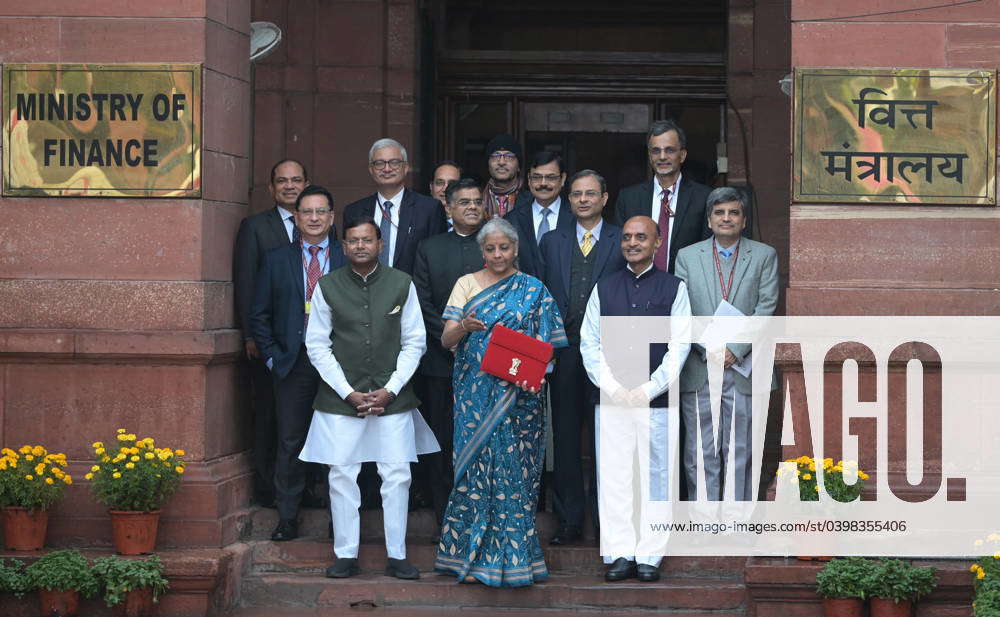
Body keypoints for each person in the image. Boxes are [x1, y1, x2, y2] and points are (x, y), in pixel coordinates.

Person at [300, 217, 439, 580]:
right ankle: (345, 554)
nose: (360, 246)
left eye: (367, 240)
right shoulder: (327, 286)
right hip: (340, 398)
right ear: (343, 246)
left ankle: (398, 555)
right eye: (352, 241)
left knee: (396, 474)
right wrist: (347, 391)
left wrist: (391, 388)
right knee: (342, 474)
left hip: (393, 396)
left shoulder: (401, 283)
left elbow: (415, 341)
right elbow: (316, 344)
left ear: (379, 244)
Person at [434, 218, 568, 587]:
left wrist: (532, 370)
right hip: (474, 396)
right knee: (474, 472)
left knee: (516, 477)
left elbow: (551, 345)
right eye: (490, 249)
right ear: (482, 251)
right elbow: (446, 340)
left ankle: (516, 560)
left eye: (504, 248)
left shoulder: (534, 289)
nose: (497, 254)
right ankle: (469, 558)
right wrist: (464, 326)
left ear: (516, 249)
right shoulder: (466, 285)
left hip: (520, 399)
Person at [580, 216, 691, 583]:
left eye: (641, 237)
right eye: (627, 237)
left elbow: (680, 346)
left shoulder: (675, 288)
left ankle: (650, 554)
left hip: (656, 400)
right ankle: (620, 552)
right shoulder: (605, 287)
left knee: (657, 477)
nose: (632, 243)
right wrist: (613, 388)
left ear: (657, 243)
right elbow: (589, 343)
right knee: (614, 476)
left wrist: (646, 390)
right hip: (612, 399)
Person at [249, 185, 346, 541]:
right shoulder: (276, 259)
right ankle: (287, 517)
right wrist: (274, 357)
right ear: (297, 218)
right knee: (290, 441)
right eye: (307, 212)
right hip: (293, 362)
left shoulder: (346, 255)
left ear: (332, 217)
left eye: (322, 212)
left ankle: (342, 520)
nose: (315, 218)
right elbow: (258, 315)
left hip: (338, 364)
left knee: (339, 439)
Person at [538, 170, 626, 546]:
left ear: (605, 198)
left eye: (591, 193)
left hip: (611, 353)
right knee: (567, 437)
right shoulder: (551, 241)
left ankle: (609, 520)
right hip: (566, 353)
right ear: (568, 199)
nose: (584, 200)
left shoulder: (621, 237)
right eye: (577, 194)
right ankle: (570, 519)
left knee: (611, 437)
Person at [675, 187, 778, 503]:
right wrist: (710, 349)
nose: (726, 218)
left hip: (743, 367)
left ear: (744, 219)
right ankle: (704, 520)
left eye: (733, 212)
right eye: (719, 213)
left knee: (740, 446)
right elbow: (681, 310)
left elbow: (767, 307)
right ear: (709, 220)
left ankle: (736, 519)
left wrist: (736, 348)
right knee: (700, 448)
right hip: (701, 365)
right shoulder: (687, 257)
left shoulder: (764, 255)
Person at [411, 178, 487, 533]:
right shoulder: (429, 248)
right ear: (448, 207)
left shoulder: (495, 245)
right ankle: (444, 512)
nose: (472, 207)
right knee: (441, 438)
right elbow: (422, 302)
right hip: (439, 361)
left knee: (481, 437)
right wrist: (451, 338)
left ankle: (482, 511)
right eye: (464, 202)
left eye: (476, 201)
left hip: (487, 362)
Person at [233, 158, 309, 508]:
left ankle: (306, 488)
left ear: (306, 184)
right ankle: (267, 491)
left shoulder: (319, 226)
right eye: (282, 181)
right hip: (270, 343)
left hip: (311, 347)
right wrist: (251, 337)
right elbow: (246, 284)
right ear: (271, 188)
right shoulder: (255, 227)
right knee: (268, 416)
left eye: (296, 180)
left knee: (304, 423)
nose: (290, 186)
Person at [613, 120, 711, 273]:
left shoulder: (704, 198)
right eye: (656, 151)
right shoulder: (628, 198)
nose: (662, 156)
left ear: (683, 155)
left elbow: (707, 252)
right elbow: (621, 249)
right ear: (650, 156)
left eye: (670, 150)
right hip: (638, 288)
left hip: (686, 288)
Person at [342, 138, 447, 275]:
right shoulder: (354, 211)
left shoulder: (429, 209)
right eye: (379, 163)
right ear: (371, 169)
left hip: (412, 292)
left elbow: (437, 260)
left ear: (406, 167)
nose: (387, 168)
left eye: (394, 162)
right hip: (363, 291)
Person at [504, 150, 574, 278]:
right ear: (529, 180)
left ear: (562, 179)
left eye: (550, 177)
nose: (543, 183)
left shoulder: (576, 218)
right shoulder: (511, 221)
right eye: (536, 177)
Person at [483, 134, 529, 218]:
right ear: (488, 165)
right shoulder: (478, 199)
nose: (501, 162)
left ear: (519, 166)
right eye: (496, 156)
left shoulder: (531, 200)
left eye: (509, 156)